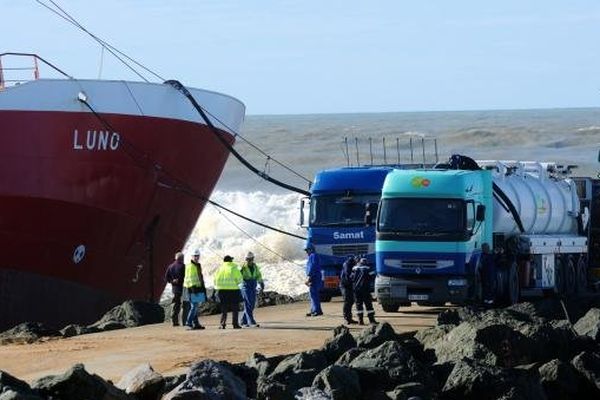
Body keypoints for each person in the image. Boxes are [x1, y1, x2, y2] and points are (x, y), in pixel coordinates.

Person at [214, 255, 243, 329]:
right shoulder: (233, 268)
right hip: (233, 290)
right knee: (235, 308)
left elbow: (215, 280)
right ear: (230, 261)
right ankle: (235, 324)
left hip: (222, 291)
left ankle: (222, 324)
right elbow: (239, 279)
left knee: (224, 309)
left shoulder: (219, 269)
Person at [183, 249, 207, 330]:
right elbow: (189, 279)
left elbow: (200, 277)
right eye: (195, 256)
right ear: (192, 256)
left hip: (198, 288)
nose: (196, 257)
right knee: (194, 306)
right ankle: (188, 322)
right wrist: (193, 289)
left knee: (196, 307)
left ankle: (196, 324)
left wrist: (203, 288)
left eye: (197, 256)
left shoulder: (198, 265)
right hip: (191, 289)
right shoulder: (190, 266)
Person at [240, 251, 264, 327]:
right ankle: (251, 321)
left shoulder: (255, 267)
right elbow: (238, 276)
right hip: (245, 287)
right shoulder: (242, 267)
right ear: (246, 259)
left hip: (253, 286)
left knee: (252, 304)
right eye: (248, 259)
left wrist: (261, 283)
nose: (250, 261)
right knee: (249, 303)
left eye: (251, 259)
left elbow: (258, 275)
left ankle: (243, 321)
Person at [164, 251, 188, 326]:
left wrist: (172, 281)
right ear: (182, 259)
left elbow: (166, 278)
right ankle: (184, 321)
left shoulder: (170, 266)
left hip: (175, 288)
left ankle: (174, 321)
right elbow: (186, 277)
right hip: (183, 288)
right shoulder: (183, 266)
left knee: (176, 304)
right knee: (185, 305)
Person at [352, 257, 377, 325]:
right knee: (368, 305)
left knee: (358, 305)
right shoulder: (368, 268)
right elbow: (373, 276)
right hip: (365, 289)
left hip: (356, 290)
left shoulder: (354, 268)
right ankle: (371, 320)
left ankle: (360, 320)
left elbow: (351, 277)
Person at [304, 244, 323, 317]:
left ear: (311, 249)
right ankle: (314, 310)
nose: (306, 252)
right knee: (313, 295)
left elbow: (312, 267)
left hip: (314, 278)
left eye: (307, 250)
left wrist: (309, 278)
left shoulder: (313, 256)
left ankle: (316, 311)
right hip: (315, 277)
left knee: (314, 295)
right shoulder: (314, 256)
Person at [340, 255, 357, 324]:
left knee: (350, 301)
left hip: (348, 285)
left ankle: (349, 318)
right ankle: (347, 318)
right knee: (347, 301)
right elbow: (348, 276)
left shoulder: (351, 264)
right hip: (345, 285)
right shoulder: (348, 264)